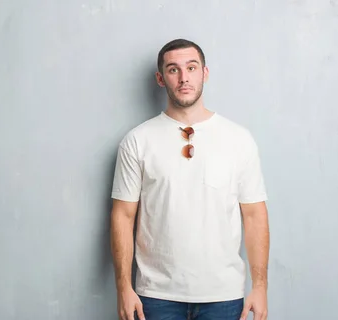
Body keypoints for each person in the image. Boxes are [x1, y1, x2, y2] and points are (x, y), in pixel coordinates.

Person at [109, 38, 270, 320]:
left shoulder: (239, 139)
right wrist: (123, 287)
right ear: (161, 78)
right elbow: (123, 216)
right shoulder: (138, 140)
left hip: (223, 296)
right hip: (155, 296)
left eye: (192, 68)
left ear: (204, 73)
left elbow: (255, 215)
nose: (184, 78)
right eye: (173, 70)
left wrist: (260, 287)